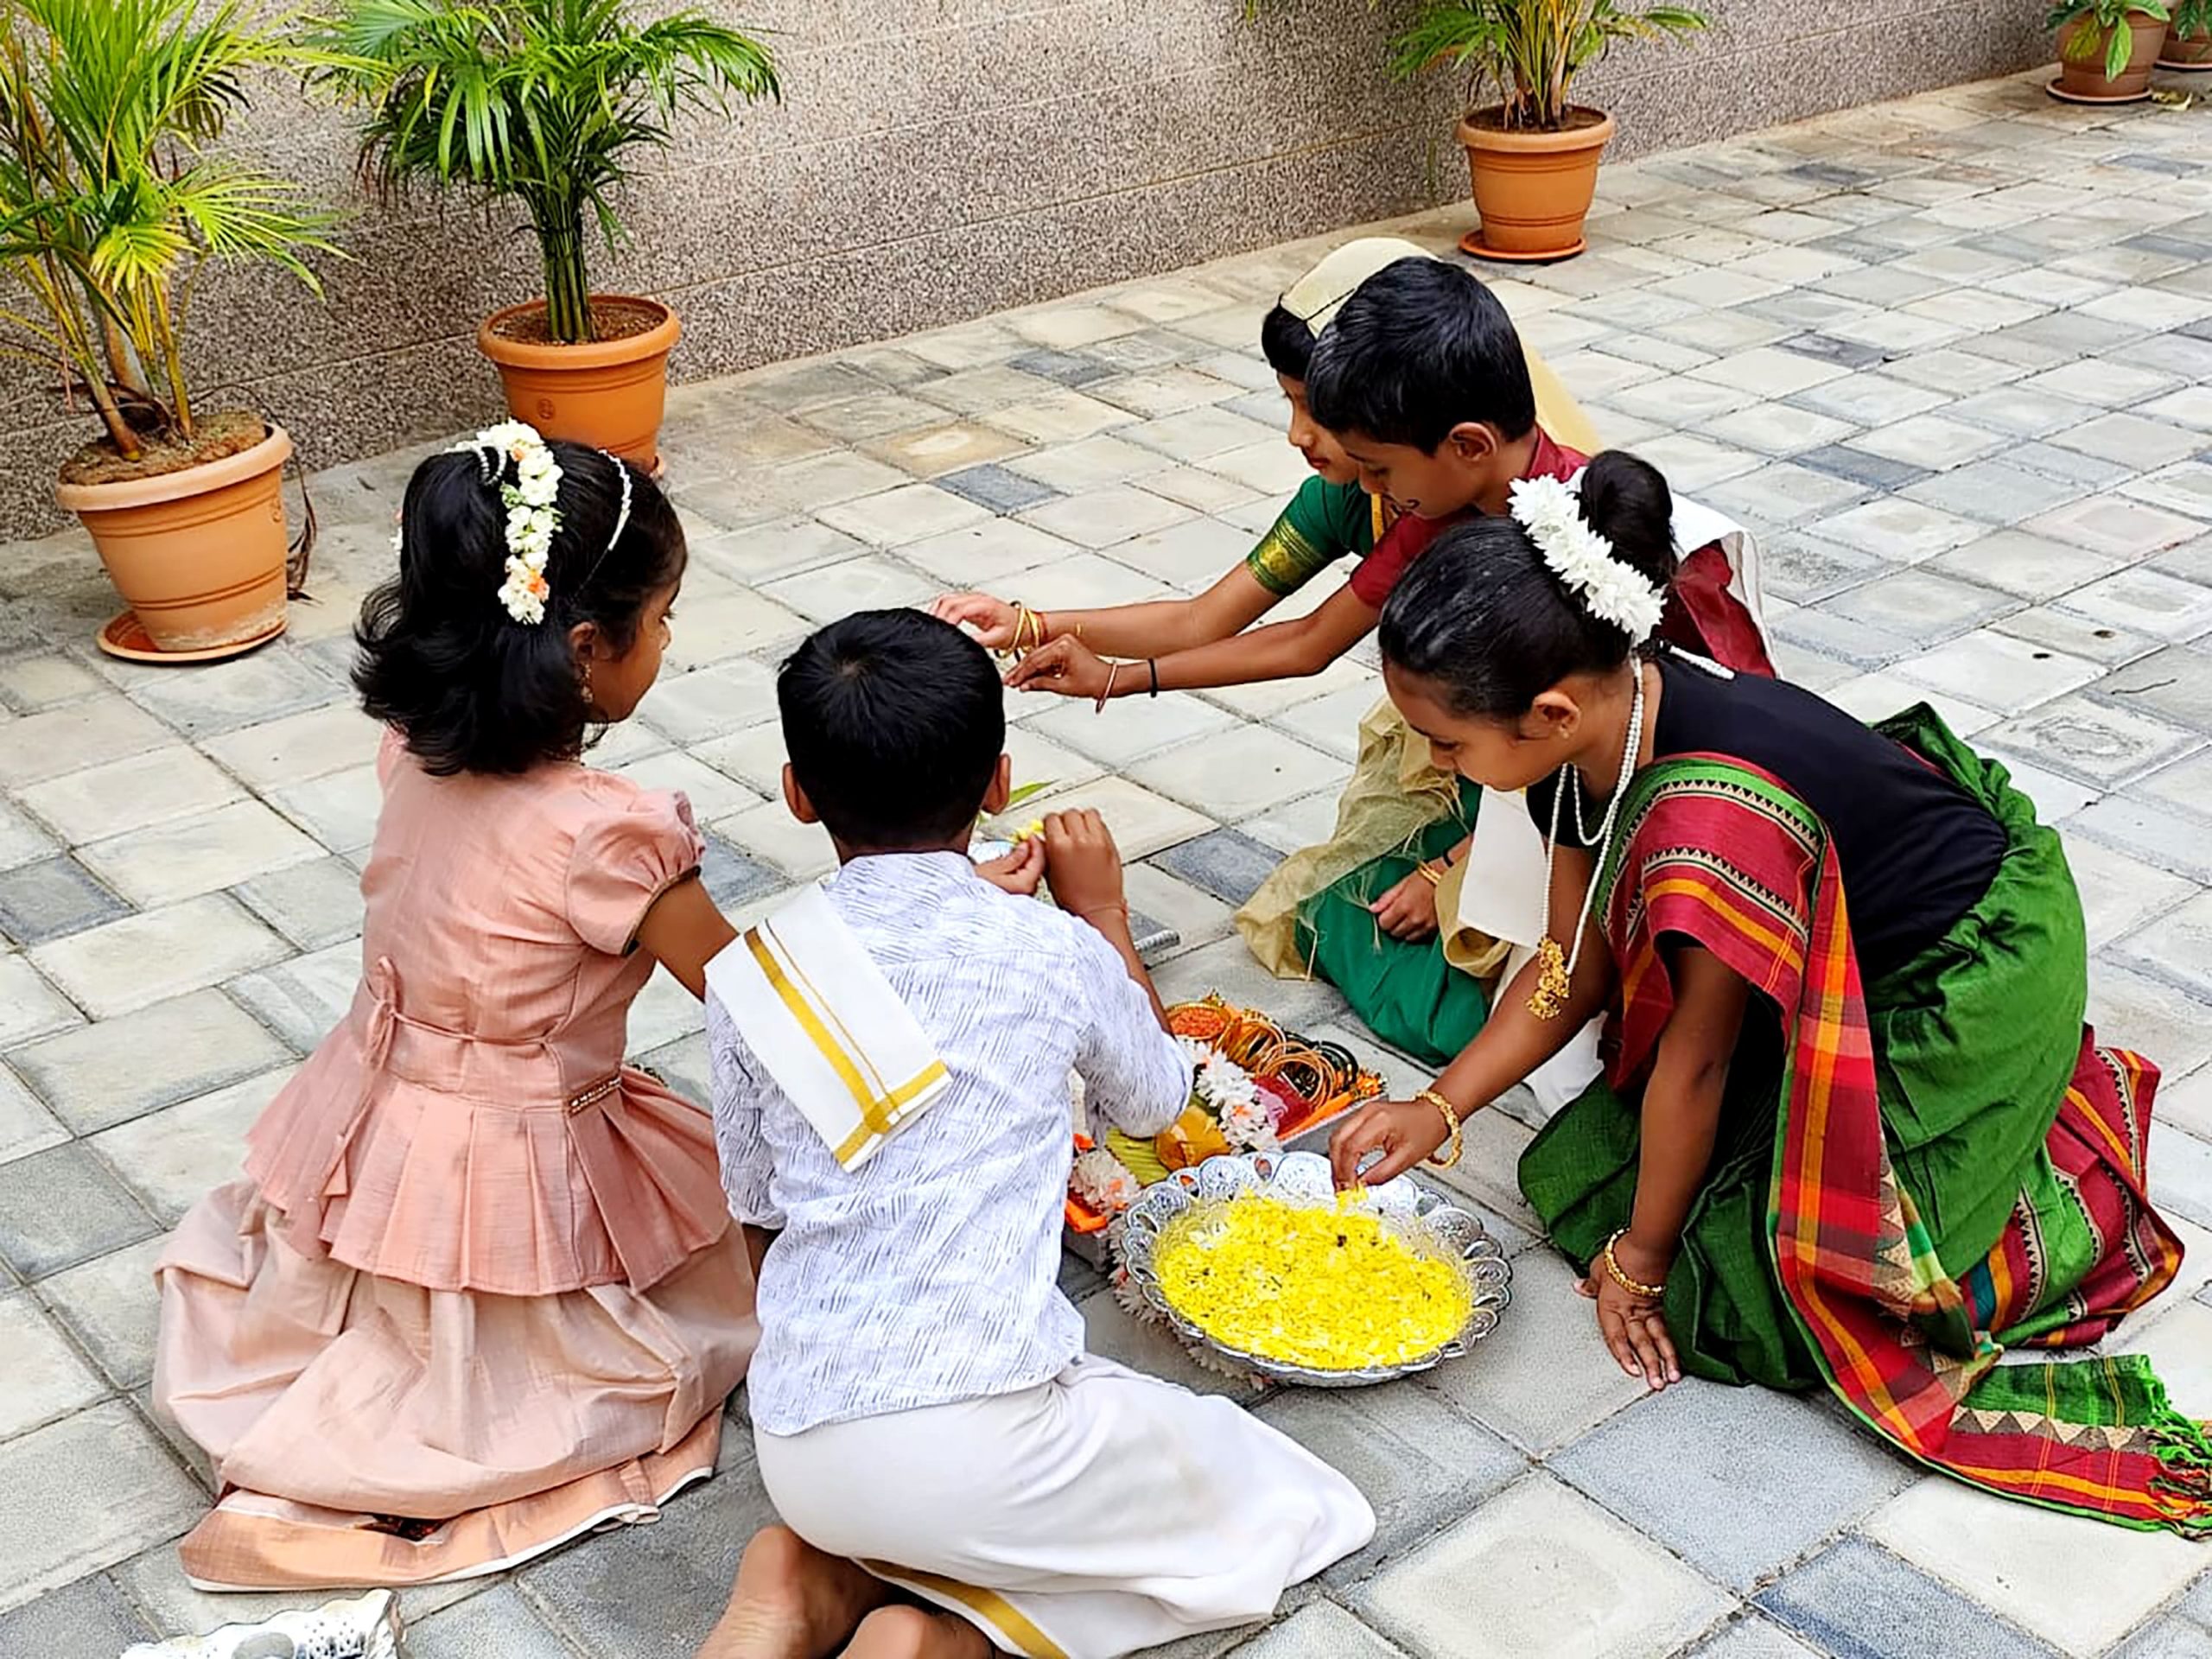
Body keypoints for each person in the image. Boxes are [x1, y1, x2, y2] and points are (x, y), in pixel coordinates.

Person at [1327, 451, 2210, 1533]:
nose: (1434, 761)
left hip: (1969, 967)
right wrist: (1440, 1106)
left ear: (1550, 711)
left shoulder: (1707, 817)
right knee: (1646, 1166)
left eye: (1445, 741)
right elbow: (1568, 968)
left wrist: (1641, 1266)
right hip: (1843, 937)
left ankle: (2052, 1148)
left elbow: (1694, 1062)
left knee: (1772, 1296)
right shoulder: (1595, 726)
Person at [697, 610, 1374, 1659]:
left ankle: (806, 1575)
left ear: (795, 793)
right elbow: (1156, 1105)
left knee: (932, 1500)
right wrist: (1099, 914)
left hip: (799, 1435)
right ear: (1001, 783)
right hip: (982, 1448)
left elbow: (756, 1223)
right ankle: (939, 1642)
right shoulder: (1049, 947)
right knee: (1269, 1494)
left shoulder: (752, 975)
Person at [152, 426, 759, 1589]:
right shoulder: (611, 837)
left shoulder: (413, 754)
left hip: (377, 1120)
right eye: (667, 615)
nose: (671, 639)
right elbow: (751, 997)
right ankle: (358, 1471)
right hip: (512, 1152)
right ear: (587, 650)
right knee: (677, 1312)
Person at [929, 241, 1613, 1073]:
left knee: (1483, 1008)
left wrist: (1453, 872)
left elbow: (1591, 742)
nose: (1305, 440)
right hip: (1492, 768)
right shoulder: (1400, 494)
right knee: (1342, 916)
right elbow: (1235, 624)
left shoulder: (1563, 532)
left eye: (1319, 418)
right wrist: (1040, 628)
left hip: (1572, 797)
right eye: (1295, 405)